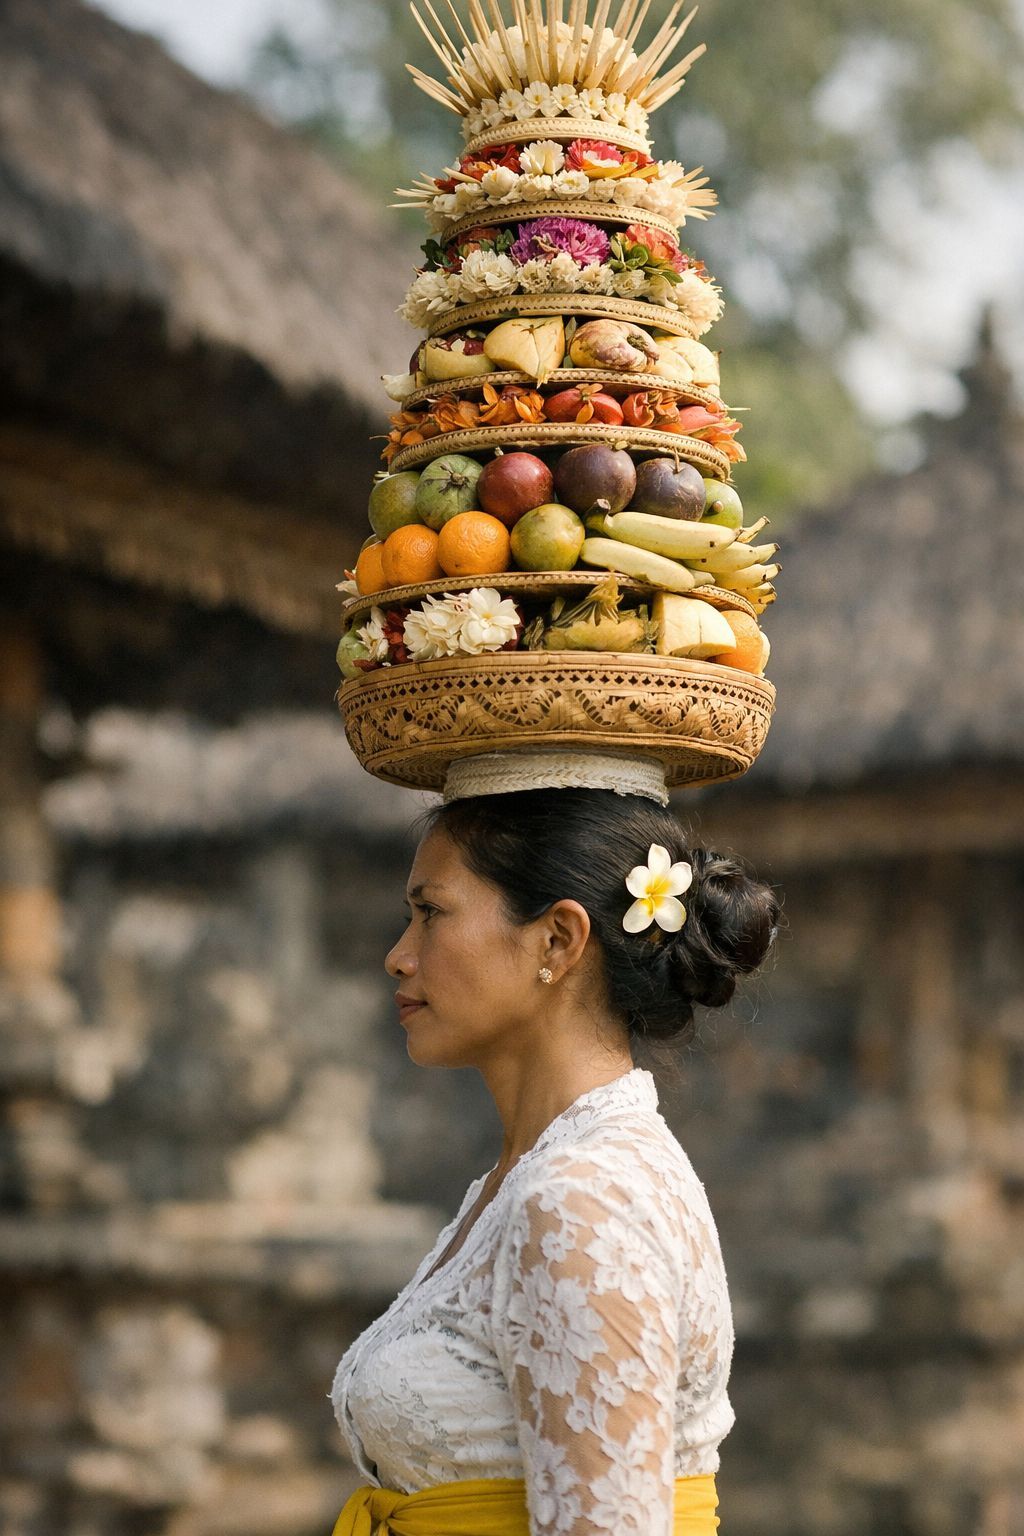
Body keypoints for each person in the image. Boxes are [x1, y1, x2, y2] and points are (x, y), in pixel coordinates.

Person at [330, 785, 779, 1536]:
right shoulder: (535, 1178)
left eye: (431, 912)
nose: (398, 957)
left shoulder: (581, 1199)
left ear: (558, 941)